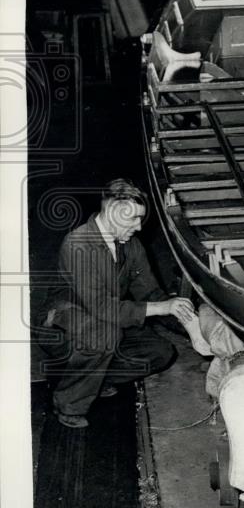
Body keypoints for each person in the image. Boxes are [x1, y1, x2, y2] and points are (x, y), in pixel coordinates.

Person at [40, 178, 195, 428]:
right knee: (104, 335)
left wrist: (189, 321)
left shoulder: (131, 245)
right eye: (133, 218)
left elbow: (151, 294)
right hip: (63, 325)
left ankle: (94, 380)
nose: (139, 227)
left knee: (160, 353)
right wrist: (161, 308)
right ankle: (68, 403)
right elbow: (100, 306)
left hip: (106, 322)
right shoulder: (77, 244)